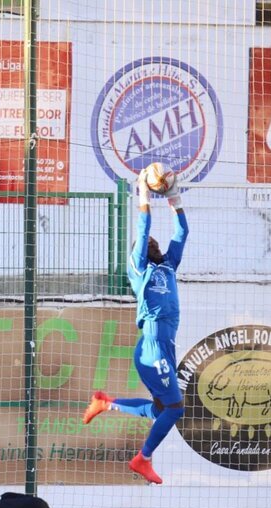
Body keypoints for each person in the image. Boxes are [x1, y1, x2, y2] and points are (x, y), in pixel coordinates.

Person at [81, 165, 187, 484]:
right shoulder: (139, 269)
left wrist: (174, 198)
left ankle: (106, 403)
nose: (152, 243)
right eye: (148, 244)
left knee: (159, 410)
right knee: (176, 409)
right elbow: (142, 231)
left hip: (161, 345)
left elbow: (181, 233)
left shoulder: (167, 265)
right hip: (153, 343)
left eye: (154, 243)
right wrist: (143, 196)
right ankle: (143, 458)